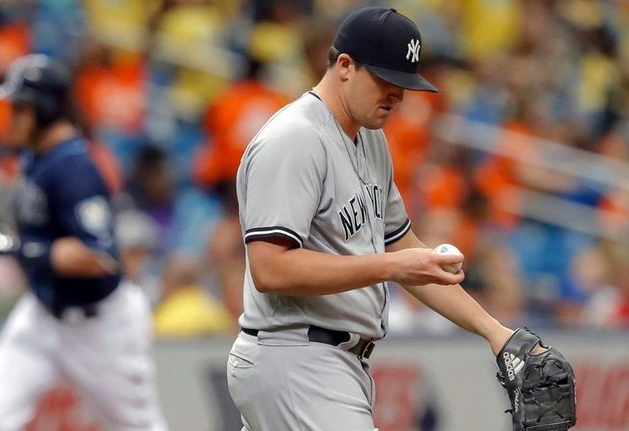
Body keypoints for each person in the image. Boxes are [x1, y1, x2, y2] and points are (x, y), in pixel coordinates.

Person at [226, 8, 541, 430]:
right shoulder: (296, 138)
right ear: (344, 66)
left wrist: (492, 330)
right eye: (385, 80)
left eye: (404, 84)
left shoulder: (370, 139)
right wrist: (394, 267)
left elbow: (404, 249)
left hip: (329, 362)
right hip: (297, 358)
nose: (397, 95)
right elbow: (270, 268)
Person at [0, 54, 166, 431]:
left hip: (98, 323)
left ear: (45, 109)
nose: (11, 117)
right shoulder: (38, 157)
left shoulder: (75, 167)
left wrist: (16, 248)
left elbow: (97, 256)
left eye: (20, 108)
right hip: (42, 313)